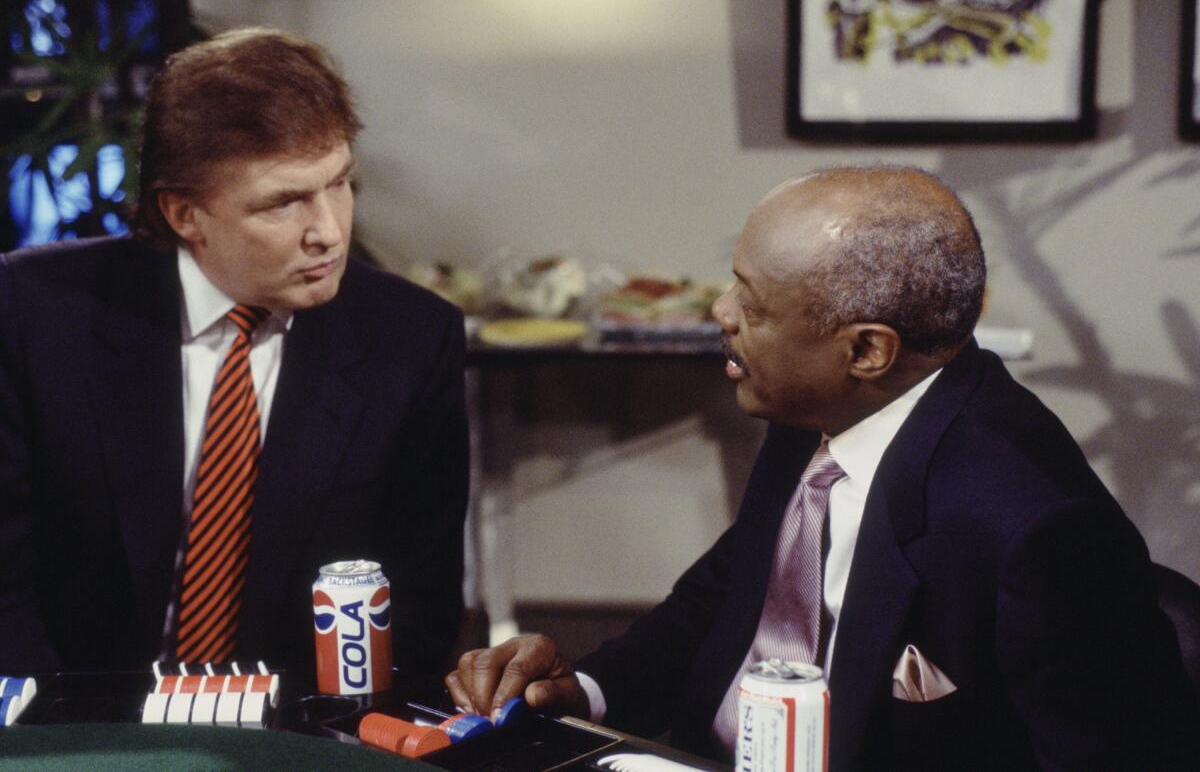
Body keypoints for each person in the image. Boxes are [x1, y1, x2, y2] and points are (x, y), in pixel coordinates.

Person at [445, 168, 1199, 771]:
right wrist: (579, 689)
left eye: (755, 303)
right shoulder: (817, 408)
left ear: (866, 351)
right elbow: (725, 600)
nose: (720, 309)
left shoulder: (1036, 526)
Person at [0, 28, 468, 681]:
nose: (330, 232)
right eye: (284, 203)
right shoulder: (31, 312)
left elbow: (418, 610)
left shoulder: (414, 338)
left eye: (339, 183)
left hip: (295, 729)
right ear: (186, 214)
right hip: (77, 723)